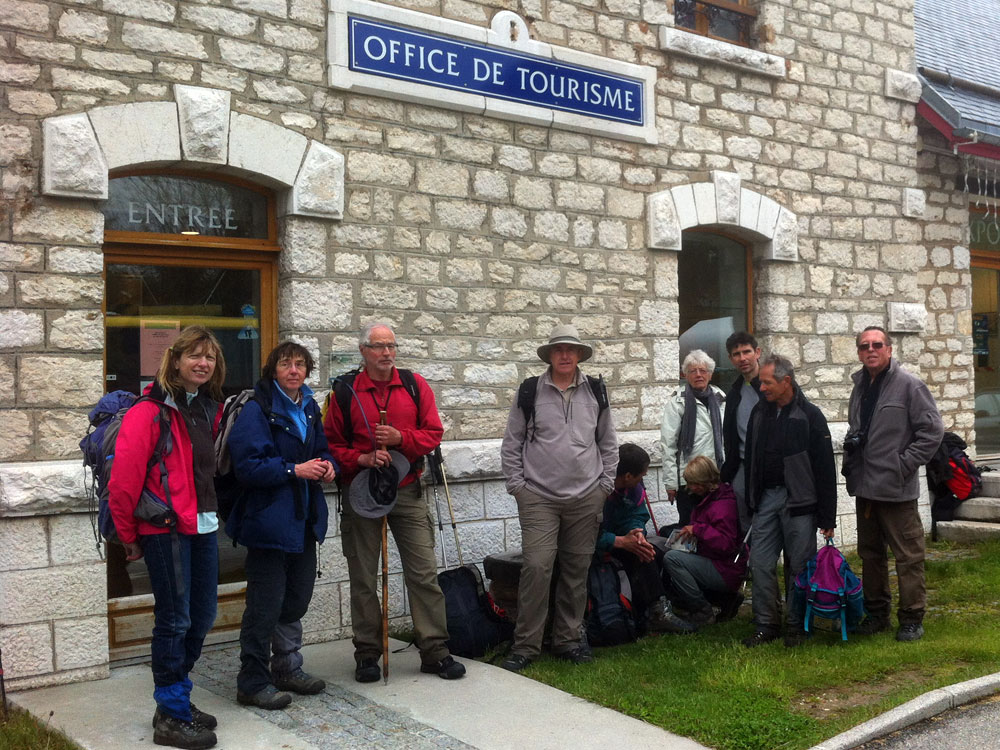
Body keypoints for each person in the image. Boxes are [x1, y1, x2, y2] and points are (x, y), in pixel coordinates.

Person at [324, 322, 465, 681]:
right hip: (362, 491)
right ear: (363, 351)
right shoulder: (345, 392)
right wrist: (362, 458)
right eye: (378, 346)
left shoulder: (415, 385)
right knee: (363, 577)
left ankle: (434, 650)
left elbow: (433, 433)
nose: (386, 353)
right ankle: (367, 653)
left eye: (391, 346)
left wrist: (401, 438)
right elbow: (330, 445)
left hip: (407, 487)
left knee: (423, 573)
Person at [108, 326, 225, 750]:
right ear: (174, 360)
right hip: (164, 529)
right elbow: (123, 481)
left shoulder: (205, 408)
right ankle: (171, 714)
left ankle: (175, 697)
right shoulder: (150, 410)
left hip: (203, 525)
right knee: (175, 621)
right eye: (194, 355)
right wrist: (127, 535)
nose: (202, 363)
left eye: (209, 357)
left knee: (202, 616)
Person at [499, 324, 618, 672]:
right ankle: (526, 645)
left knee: (576, 571)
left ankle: (568, 640)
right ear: (549, 355)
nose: (565, 355)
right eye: (558, 349)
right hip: (538, 496)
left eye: (571, 349)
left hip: (587, 496)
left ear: (579, 354)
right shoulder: (529, 391)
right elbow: (511, 443)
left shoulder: (596, 390)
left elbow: (608, 443)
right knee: (537, 567)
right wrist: (518, 488)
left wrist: (604, 487)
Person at [226, 342, 338, 710]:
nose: (293, 370)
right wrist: (293, 470)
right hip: (268, 523)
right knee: (264, 606)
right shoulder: (258, 409)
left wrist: (329, 465)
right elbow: (248, 466)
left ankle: (287, 668)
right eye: (286, 364)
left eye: (300, 365)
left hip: (303, 520)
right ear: (273, 369)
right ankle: (253, 682)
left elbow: (322, 449)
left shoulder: (309, 407)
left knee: (295, 600)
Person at [843, 326, 944, 642]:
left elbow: (932, 432)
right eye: (864, 346)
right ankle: (877, 615)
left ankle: (912, 618)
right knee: (870, 555)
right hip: (866, 488)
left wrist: (903, 464)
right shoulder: (860, 386)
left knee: (908, 557)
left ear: (889, 349)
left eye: (877, 345)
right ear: (859, 352)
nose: (870, 350)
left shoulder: (910, 386)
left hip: (896, 489)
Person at [742, 354, 836, 648]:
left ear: (786, 382)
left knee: (799, 566)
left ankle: (798, 625)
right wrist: (752, 500)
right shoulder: (759, 413)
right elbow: (751, 459)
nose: (761, 388)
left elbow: (825, 468)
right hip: (766, 499)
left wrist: (827, 517)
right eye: (760, 383)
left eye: (767, 383)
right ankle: (766, 624)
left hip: (800, 502)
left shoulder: (811, 415)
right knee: (759, 563)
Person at [595, 443, 695, 634]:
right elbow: (584, 535)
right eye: (641, 475)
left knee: (646, 551)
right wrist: (620, 541)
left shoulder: (632, 489)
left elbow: (637, 514)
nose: (643, 479)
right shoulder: (596, 491)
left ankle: (657, 610)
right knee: (639, 552)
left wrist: (636, 532)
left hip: (621, 540)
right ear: (627, 476)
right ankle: (647, 613)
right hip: (594, 548)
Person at [662, 456, 747, 628]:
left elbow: (727, 544)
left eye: (694, 483)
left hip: (726, 568)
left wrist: (698, 530)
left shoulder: (722, 506)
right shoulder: (713, 498)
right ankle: (724, 599)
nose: (690, 488)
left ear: (706, 482)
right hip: (720, 564)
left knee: (672, 559)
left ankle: (702, 610)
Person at [660, 349, 726, 529]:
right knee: (690, 527)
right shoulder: (677, 402)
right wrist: (671, 482)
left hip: (715, 477)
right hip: (688, 481)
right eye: (692, 371)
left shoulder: (721, 399)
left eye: (703, 370)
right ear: (685, 375)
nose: (698, 375)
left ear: (710, 374)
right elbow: (668, 444)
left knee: (716, 526)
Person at [719, 331, 763, 532]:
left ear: (757, 352)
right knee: (745, 524)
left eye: (747, 352)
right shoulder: (734, 392)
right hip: (742, 467)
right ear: (730, 359)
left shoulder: (772, 387)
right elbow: (730, 436)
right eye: (737, 354)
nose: (742, 358)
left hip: (769, 468)